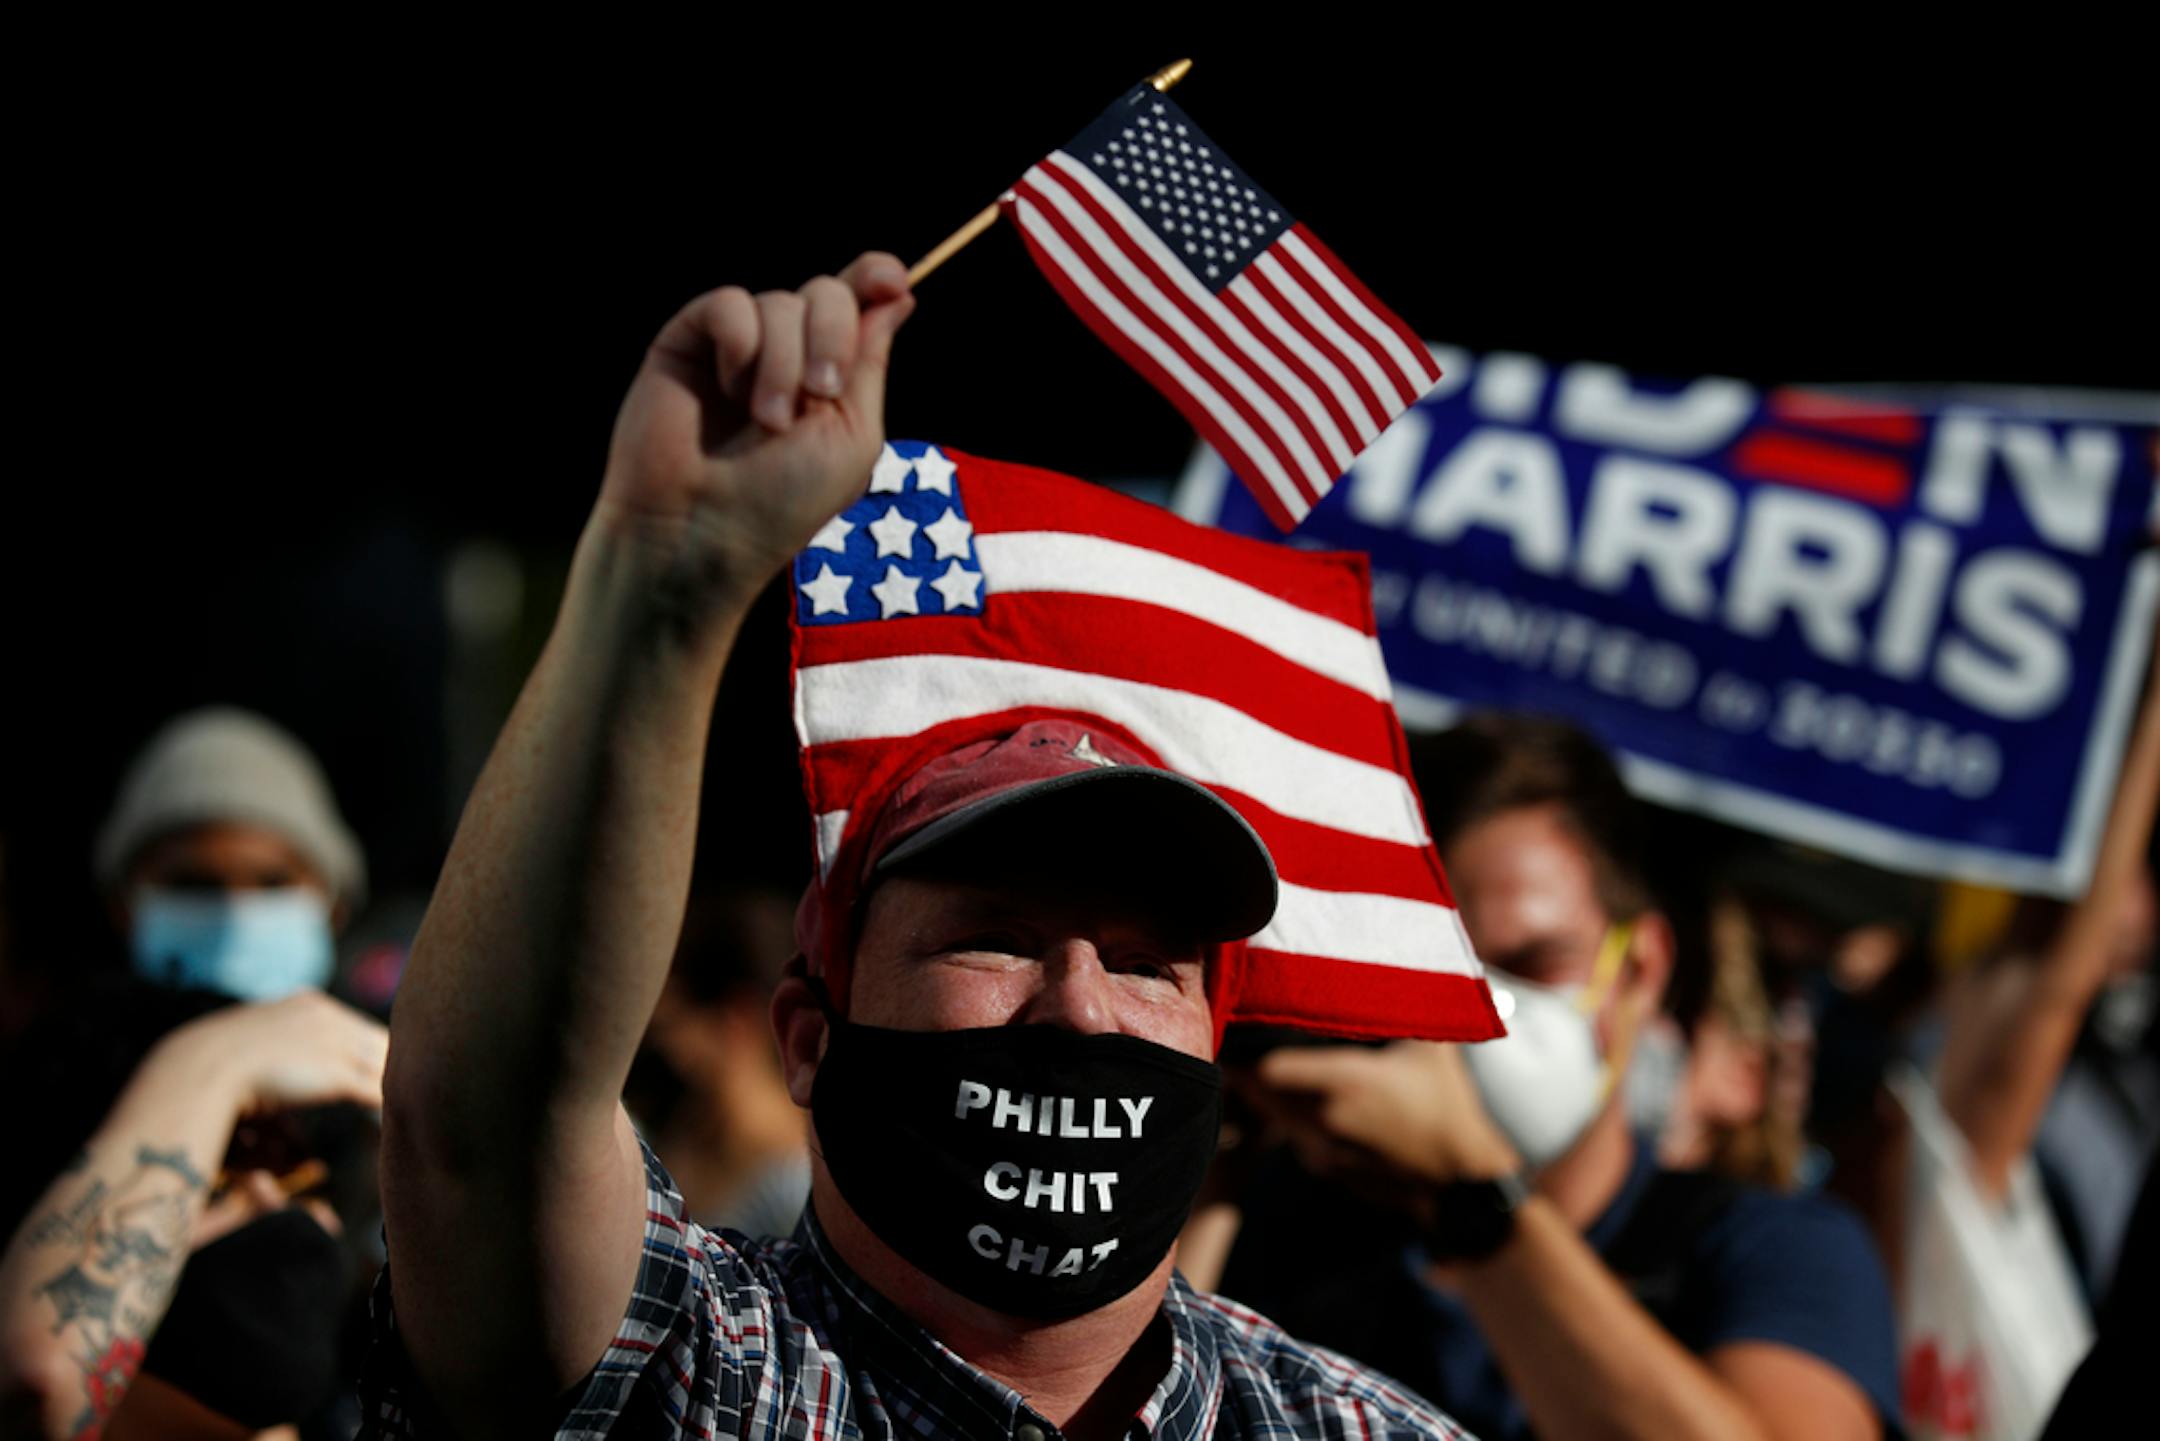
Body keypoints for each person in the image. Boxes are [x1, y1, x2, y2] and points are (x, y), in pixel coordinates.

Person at [365, 253, 1474, 1439]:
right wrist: (663, 578)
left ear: (1218, 1047)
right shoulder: (698, 1372)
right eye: (991, 940)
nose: (1080, 1006)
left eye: (1150, 963)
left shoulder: (1352, 1428)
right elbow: (483, 1136)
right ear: (808, 1036)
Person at [1217, 715, 1901, 1441]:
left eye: (1538, 964)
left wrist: (1473, 1195)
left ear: (1640, 969)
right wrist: (1220, 1157)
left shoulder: (1773, 1250)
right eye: (1447, 971)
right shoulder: (1290, 1228)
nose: (1486, 1013)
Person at [0, 707, 389, 1440]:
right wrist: (221, 1058)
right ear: (126, 903)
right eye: (196, 883)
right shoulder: (61, 1085)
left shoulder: (378, 1088)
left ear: (331, 901)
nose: (239, 911)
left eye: (273, 880)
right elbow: (43, 1373)